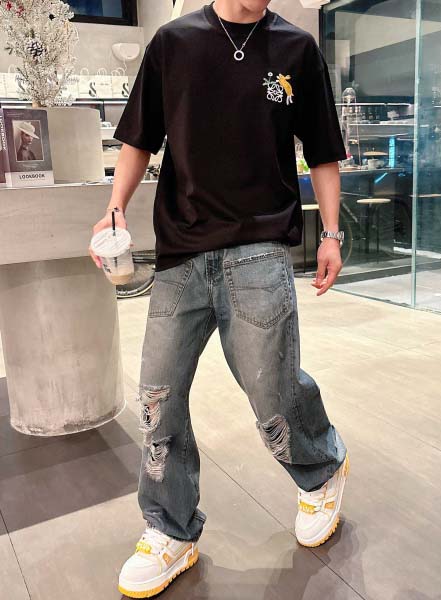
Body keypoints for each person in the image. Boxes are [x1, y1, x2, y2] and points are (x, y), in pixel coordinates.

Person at [89, 1, 350, 597]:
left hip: (260, 249)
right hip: (180, 254)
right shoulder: (173, 43)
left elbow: (322, 149)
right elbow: (138, 138)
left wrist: (331, 234)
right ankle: (171, 528)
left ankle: (322, 471)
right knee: (158, 398)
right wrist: (113, 208)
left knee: (273, 392)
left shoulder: (297, 49)